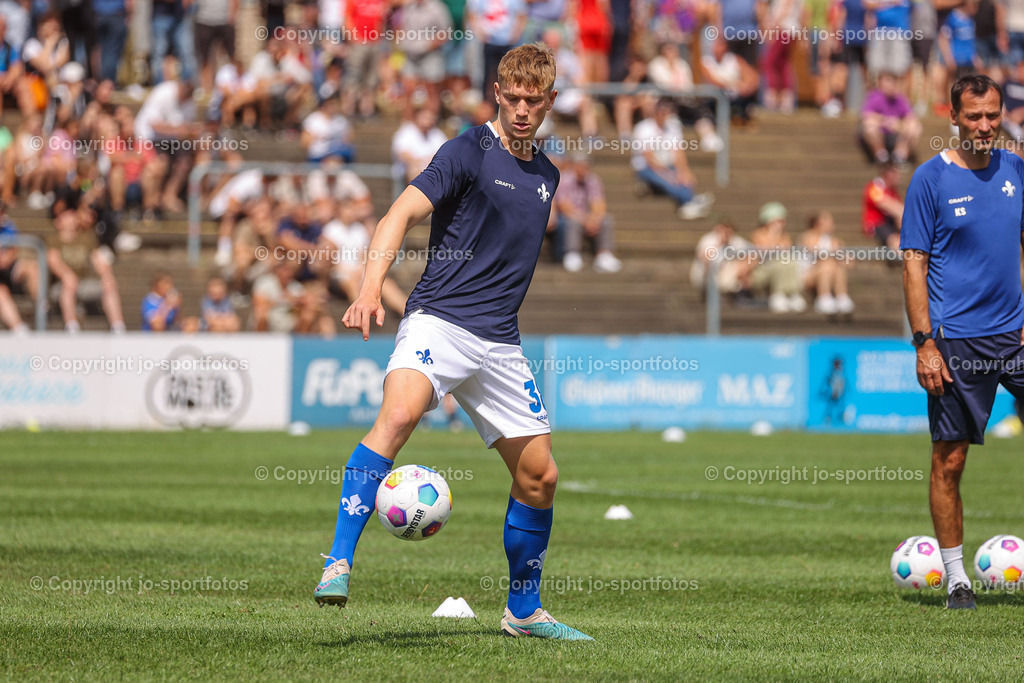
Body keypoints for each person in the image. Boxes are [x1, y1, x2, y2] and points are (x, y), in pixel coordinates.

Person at [314, 43, 592, 641]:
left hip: (499, 345)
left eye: (532, 101)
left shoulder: (548, 174)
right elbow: (398, 216)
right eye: (511, 98)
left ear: (548, 102)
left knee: (540, 477)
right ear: (499, 93)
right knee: (398, 415)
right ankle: (338, 562)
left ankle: (523, 611)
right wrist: (369, 288)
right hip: (438, 321)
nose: (521, 110)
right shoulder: (468, 151)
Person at [900, 74, 1024, 610]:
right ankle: (956, 579)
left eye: (992, 115)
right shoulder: (929, 180)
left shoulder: (1017, 169)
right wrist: (924, 342)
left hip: (1016, 335)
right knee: (949, 460)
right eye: (973, 116)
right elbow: (913, 262)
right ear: (952, 117)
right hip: (956, 342)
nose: (984, 126)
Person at [631, 97, 715, 220]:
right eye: (664, 111)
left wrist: (685, 172)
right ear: (657, 111)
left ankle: (690, 202)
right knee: (671, 179)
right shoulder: (643, 128)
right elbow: (649, 158)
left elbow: (678, 152)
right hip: (646, 168)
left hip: (665, 165)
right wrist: (669, 174)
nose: (667, 115)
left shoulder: (672, 127)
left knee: (681, 177)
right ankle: (689, 201)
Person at [554, 152, 622, 273]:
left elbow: (599, 203)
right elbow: (565, 206)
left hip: (586, 215)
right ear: (574, 165)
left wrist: (595, 218)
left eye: (586, 165)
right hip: (569, 215)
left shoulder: (593, 180)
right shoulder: (564, 179)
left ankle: (604, 255)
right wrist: (585, 220)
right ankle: (572, 254)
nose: (584, 168)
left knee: (606, 219)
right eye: (581, 165)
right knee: (571, 222)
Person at [859, 71, 922, 165]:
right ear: (880, 83)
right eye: (887, 81)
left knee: (915, 126)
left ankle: (900, 154)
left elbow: (911, 116)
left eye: (892, 82)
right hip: (880, 131)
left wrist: (898, 124)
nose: (890, 85)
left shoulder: (900, 98)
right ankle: (881, 155)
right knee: (869, 125)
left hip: (896, 133)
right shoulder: (874, 97)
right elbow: (865, 115)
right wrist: (885, 121)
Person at [862, 161, 904, 250]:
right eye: (896, 172)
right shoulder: (874, 187)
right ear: (888, 173)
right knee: (896, 241)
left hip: (889, 223)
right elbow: (888, 205)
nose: (899, 175)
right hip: (876, 223)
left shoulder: (893, 191)